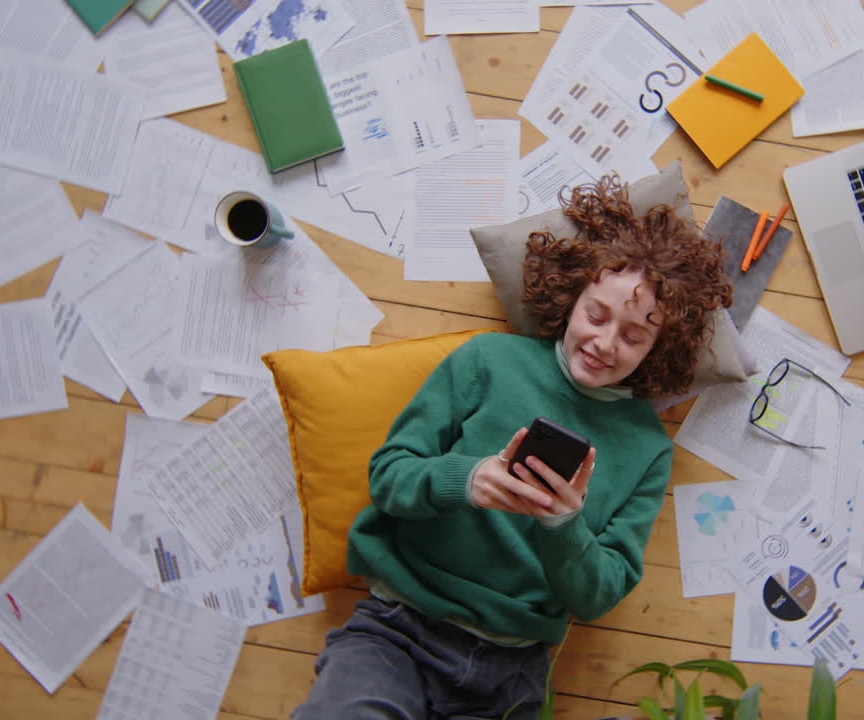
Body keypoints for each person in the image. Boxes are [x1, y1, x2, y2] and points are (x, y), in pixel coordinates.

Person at [292, 175, 732, 719]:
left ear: (656, 350)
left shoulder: (648, 447)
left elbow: (599, 596)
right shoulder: (487, 361)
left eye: (634, 336)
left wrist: (564, 526)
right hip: (396, 631)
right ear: (572, 300)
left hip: (510, 671)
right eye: (596, 315)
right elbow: (388, 478)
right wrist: (466, 480)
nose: (604, 343)